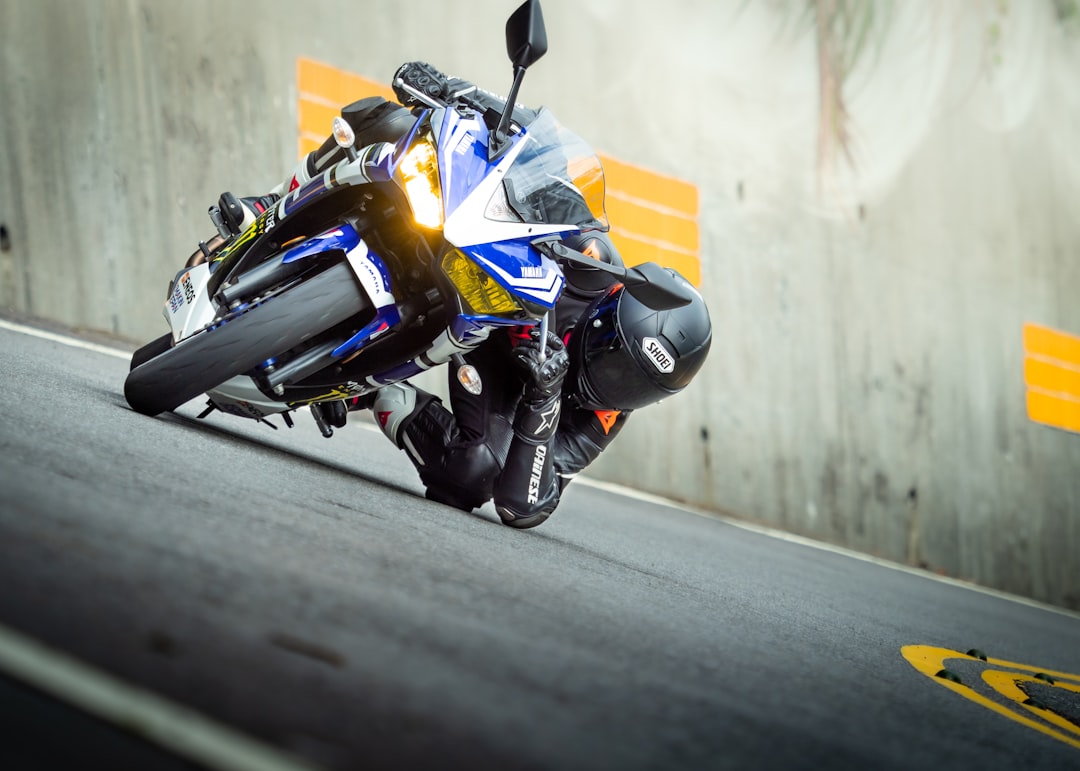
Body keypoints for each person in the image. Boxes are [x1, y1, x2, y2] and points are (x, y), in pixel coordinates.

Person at [204, 62, 713, 529]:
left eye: (633, 386)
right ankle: (270, 204)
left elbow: (525, 504)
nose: (612, 381)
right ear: (614, 302)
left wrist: (542, 400)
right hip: (483, 286)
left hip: (502, 369)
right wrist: (456, 91)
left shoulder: (603, 413)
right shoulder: (592, 257)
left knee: (470, 475)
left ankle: (370, 391)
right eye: (614, 357)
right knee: (392, 126)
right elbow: (534, 154)